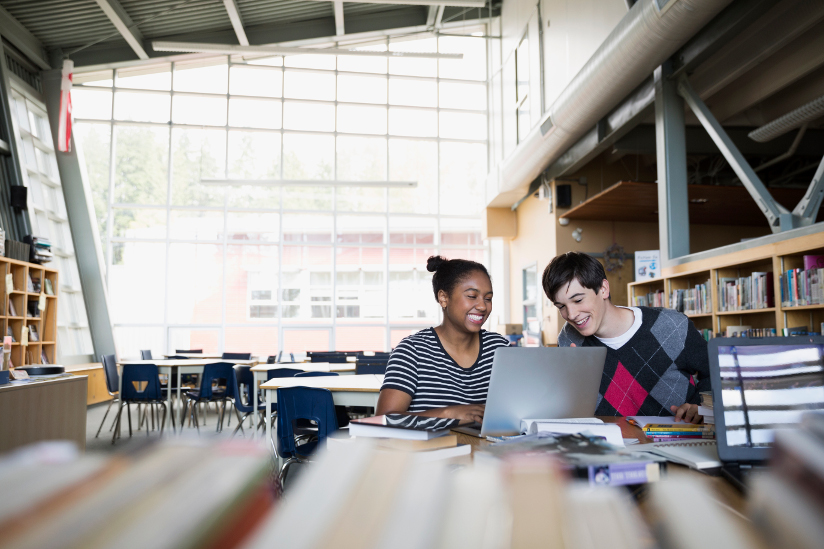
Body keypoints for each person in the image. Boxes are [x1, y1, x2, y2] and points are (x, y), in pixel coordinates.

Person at [543, 252, 710, 423]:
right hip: (608, 444)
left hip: (675, 442)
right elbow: (571, 405)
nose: (571, 314)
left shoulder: (671, 325)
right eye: (561, 306)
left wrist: (701, 406)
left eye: (578, 300)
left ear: (603, 289)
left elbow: (718, 374)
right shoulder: (568, 339)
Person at [377, 255, 510, 422]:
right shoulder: (412, 351)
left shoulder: (500, 348)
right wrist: (449, 414)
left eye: (488, 299)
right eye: (471, 296)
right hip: (430, 448)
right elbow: (383, 421)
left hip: (488, 447)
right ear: (443, 298)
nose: (483, 306)